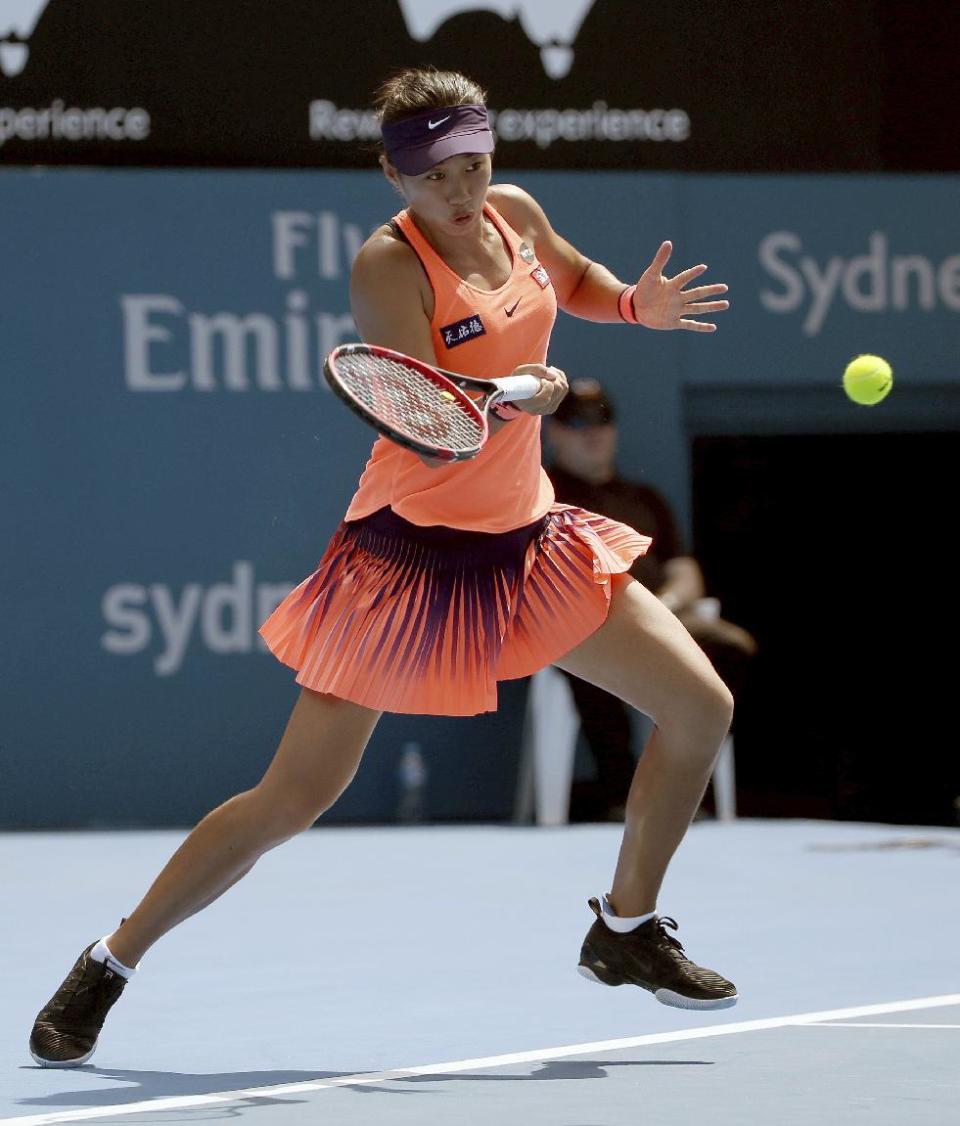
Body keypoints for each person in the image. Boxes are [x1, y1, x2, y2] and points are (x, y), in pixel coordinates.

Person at [30, 66, 737, 1068]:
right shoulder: (386, 266)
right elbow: (436, 412)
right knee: (293, 797)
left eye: (476, 162)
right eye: (438, 173)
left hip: (529, 545)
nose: (462, 188)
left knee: (700, 707)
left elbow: (572, 282)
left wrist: (629, 306)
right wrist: (519, 389)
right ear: (395, 177)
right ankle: (109, 959)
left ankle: (625, 931)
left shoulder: (517, 215)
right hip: (405, 561)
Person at [546, 379, 758, 820]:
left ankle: (675, 787)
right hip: (584, 624)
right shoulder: (543, 496)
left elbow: (685, 571)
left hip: (664, 619)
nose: (593, 431)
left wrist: (663, 604)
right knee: (586, 650)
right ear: (554, 432)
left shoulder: (645, 499)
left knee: (731, 648)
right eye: (578, 422)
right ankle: (623, 793)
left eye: (602, 420)